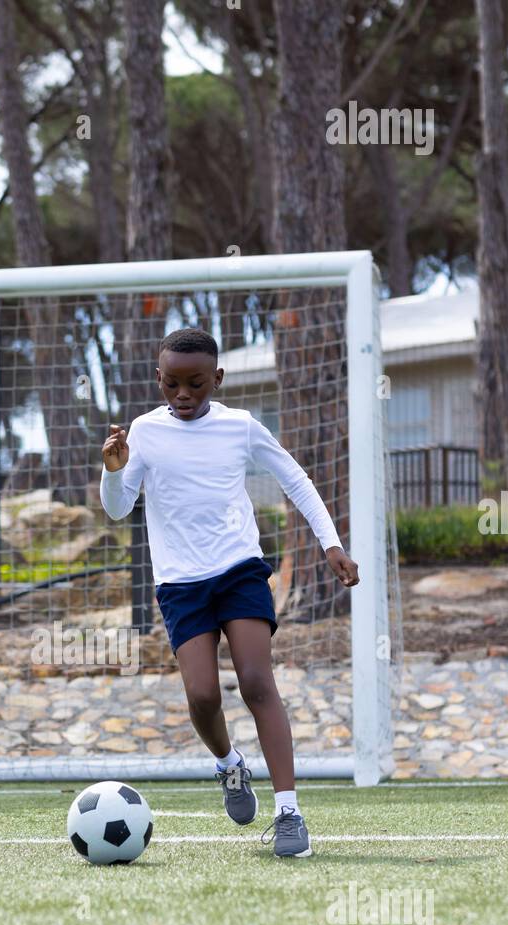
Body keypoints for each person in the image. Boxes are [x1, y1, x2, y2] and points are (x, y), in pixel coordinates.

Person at [100, 327, 359, 858]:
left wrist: (330, 544)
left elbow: (296, 479)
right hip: (180, 583)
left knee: (257, 681)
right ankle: (228, 765)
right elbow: (118, 508)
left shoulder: (240, 427)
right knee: (202, 696)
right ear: (159, 380)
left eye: (196, 383)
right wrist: (113, 470)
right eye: (172, 384)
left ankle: (289, 813)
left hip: (239, 570)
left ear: (216, 378)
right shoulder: (144, 433)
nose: (183, 395)